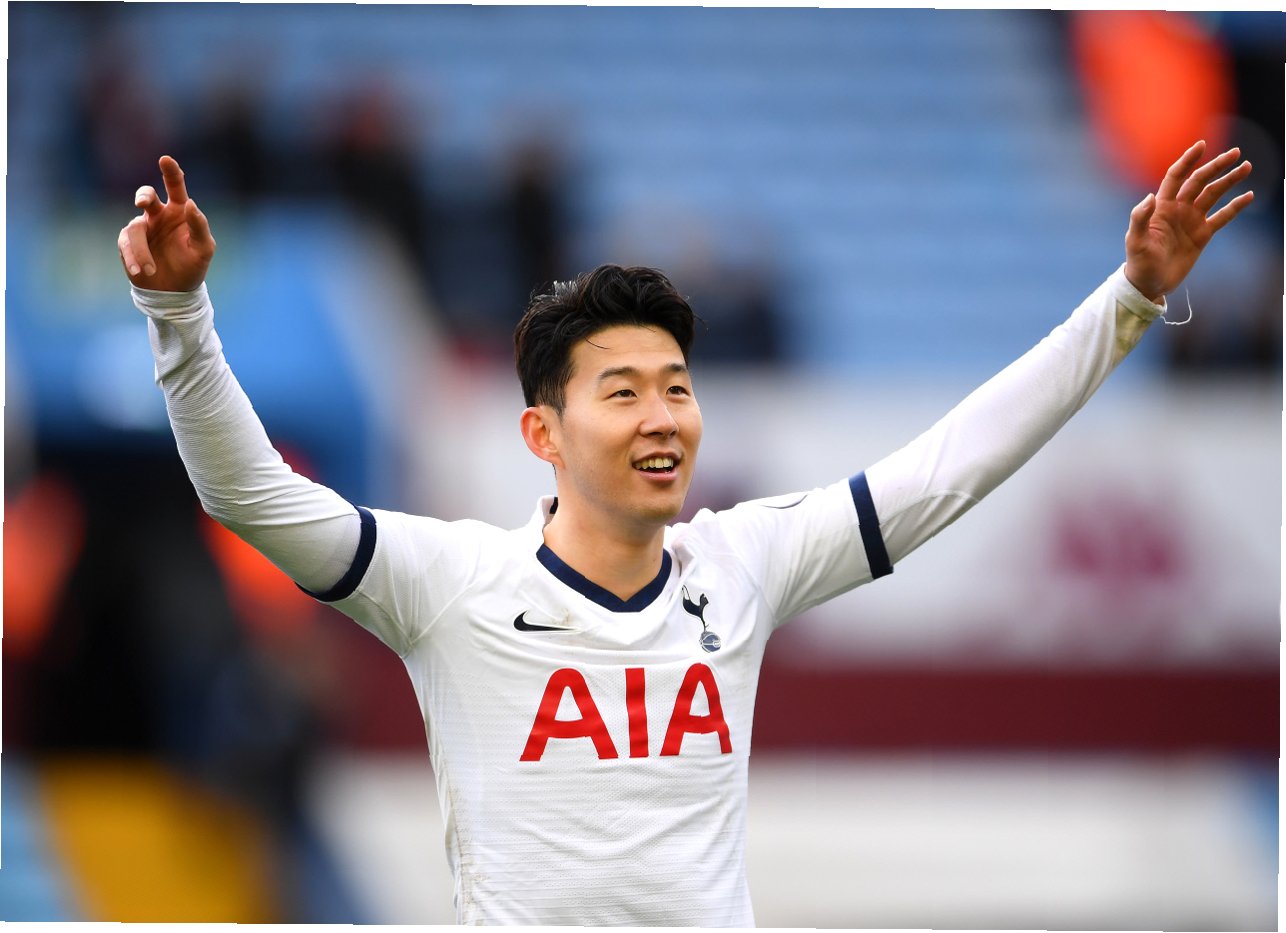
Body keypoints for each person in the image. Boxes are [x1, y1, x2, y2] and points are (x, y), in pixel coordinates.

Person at [118, 142, 1252, 926]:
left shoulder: (742, 562)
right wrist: (179, 315)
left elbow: (952, 465)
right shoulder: (451, 584)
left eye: (677, 388)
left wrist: (1127, 301)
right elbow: (249, 493)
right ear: (542, 432)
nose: (662, 417)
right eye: (622, 392)